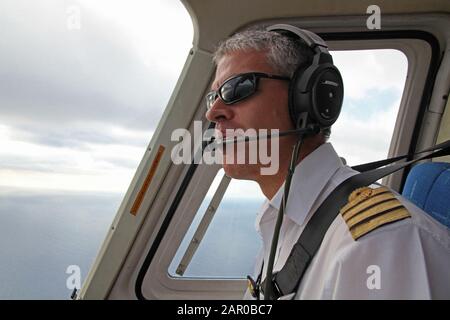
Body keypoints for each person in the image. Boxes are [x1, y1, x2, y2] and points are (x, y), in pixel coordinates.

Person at [204, 26, 450, 299]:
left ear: (308, 98)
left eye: (236, 88)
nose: (213, 112)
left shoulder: (378, 243)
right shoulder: (281, 217)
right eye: (214, 96)